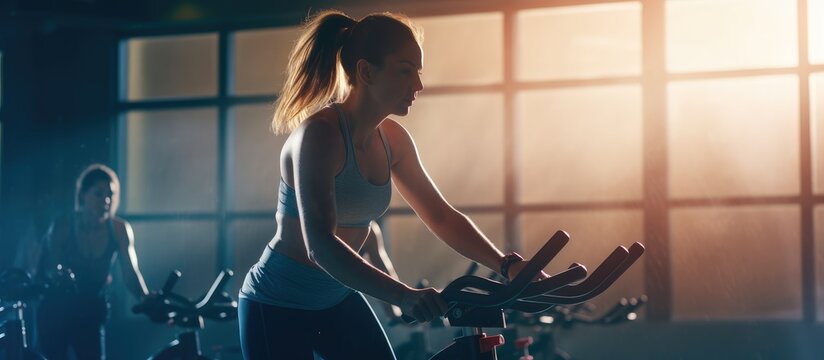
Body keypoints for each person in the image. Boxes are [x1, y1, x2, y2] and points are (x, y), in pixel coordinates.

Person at [238, 10, 541, 360]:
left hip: (337, 298)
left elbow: (441, 216)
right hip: (276, 304)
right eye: (405, 70)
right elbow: (319, 246)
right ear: (367, 71)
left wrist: (506, 265)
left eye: (418, 72)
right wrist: (403, 295)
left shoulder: (394, 141)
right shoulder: (319, 136)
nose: (418, 85)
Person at [35, 164, 150, 360]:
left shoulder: (120, 230)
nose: (106, 200)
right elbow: (52, 268)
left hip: (90, 312)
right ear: (83, 196)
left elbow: (131, 273)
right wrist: (61, 275)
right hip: (56, 311)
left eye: (110, 195)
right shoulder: (63, 225)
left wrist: (146, 299)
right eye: (98, 194)